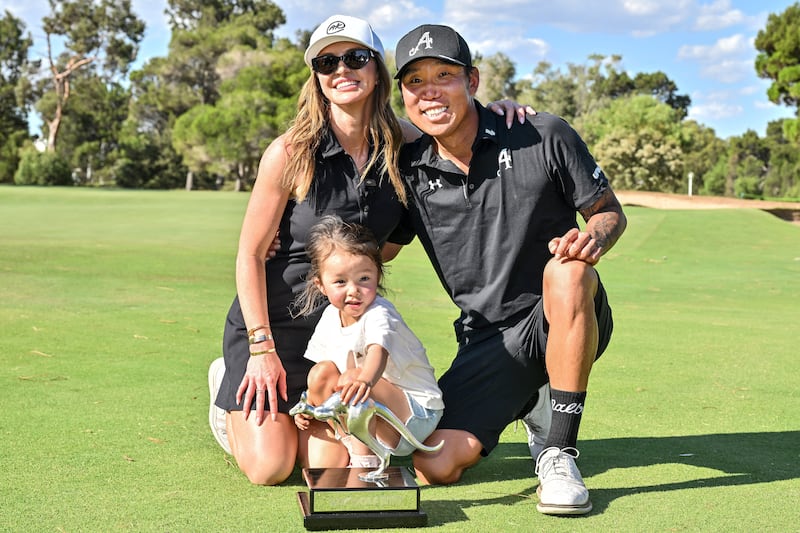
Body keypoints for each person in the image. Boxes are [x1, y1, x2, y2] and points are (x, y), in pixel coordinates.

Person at [206, 14, 531, 486]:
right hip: (275, 329)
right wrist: (260, 348)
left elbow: (391, 243)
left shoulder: (408, 143)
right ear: (316, 77)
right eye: (327, 62)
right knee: (270, 468)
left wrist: (500, 112)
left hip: (343, 339)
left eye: (356, 58)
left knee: (325, 467)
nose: (342, 69)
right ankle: (227, 388)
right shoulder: (289, 152)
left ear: (377, 69)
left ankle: (297, 421)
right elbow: (250, 254)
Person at [388, 24, 627, 516]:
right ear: (404, 95)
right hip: (488, 339)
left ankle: (559, 448)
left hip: (561, 311)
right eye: (415, 81)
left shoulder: (542, 133)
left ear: (472, 81)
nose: (430, 89)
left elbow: (609, 211)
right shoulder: (406, 168)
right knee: (437, 466)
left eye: (444, 75)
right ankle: (534, 397)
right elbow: (379, 252)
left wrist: (592, 239)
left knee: (567, 271)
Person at [291, 215, 443, 467]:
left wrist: (364, 379)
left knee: (351, 379)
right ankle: (350, 440)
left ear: (378, 275)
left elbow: (377, 353)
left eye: (364, 279)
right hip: (367, 405)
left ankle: (366, 464)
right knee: (320, 373)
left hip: (414, 415)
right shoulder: (330, 316)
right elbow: (323, 376)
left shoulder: (380, 313)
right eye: (340, 282)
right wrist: (308, 405)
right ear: (320, 284)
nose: (354, 290)